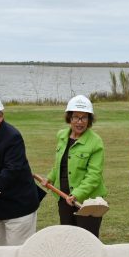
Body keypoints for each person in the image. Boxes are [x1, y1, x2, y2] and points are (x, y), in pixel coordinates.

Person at [0, 93, 43, 246]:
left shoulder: (13, 137)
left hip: (18, 205)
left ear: (1, 116)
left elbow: (12, 170)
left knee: (17, 253)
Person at [42, 95, 107, 237]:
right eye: (76, 117)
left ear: (89, 120)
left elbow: (94, 176)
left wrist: (77, 194)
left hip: (88, 202)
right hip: (64, 198)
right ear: (69, 118)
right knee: (68, 239)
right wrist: (50, 178)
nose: (80, 122)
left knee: (86, 240)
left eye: (84, 117)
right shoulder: (62, 136)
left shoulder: (95, 142)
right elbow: (59, 164)